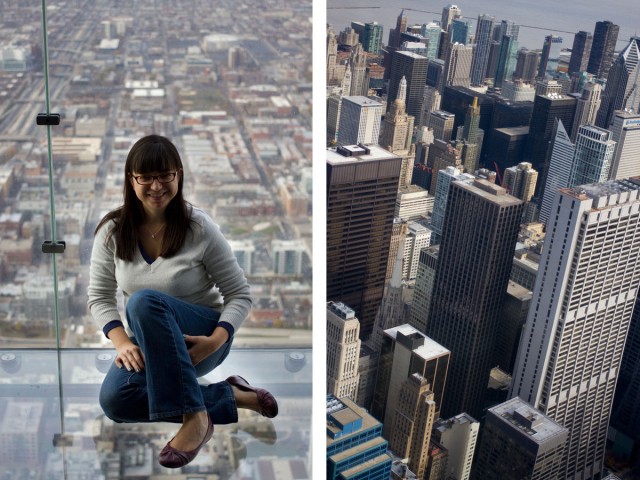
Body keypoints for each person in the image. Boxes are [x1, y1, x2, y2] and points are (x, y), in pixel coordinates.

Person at [88, 134, 277, 469]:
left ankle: (196, 419)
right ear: (131, 181)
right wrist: (121, 343)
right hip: (149, 341)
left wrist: (215, 340)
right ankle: (229, 396)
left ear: (179, 176)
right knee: (115, 402)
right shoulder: (113, 232)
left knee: (142, 302)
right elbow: (99, 296)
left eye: (165, 175)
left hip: (200, 337)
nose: (156, 186)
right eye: (145, 177)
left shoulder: (198, 227)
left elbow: (239, 293)